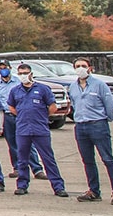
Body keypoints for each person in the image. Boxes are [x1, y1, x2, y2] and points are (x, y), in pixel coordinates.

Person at [6, 63, 68, 198]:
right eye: (20, 73)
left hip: (40, 129)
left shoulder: (42, 89)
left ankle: (58, 186)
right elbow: (11, 107)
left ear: (31, 74)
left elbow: (53, 106)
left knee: (48, 158)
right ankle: (22, 185)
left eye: (25, 73)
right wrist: (22, 115)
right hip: (23, 129)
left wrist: (41, 115)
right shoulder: (15, 90)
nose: (23, 75)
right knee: (22, 159)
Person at [68, 57, 113, 205]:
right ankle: (94, 191)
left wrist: (106, 120)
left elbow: (110, 106)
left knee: (107, 159)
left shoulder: (99, 85)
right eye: (77, 66)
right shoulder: (72, 87)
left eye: (83, 66)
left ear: (90, 68)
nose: (80, 68)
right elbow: (74, 104)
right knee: (87, 161)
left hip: (98, 125)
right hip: (81, 126)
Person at [0, 59, 44, 179]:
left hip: (21, 116)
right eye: (0, 68)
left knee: (28, 143)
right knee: (12, 144)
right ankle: (17, 168)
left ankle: (37, 169)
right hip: (7, 116)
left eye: (5, 67)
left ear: (10, 68)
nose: (3, 70)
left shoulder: (18, 82)